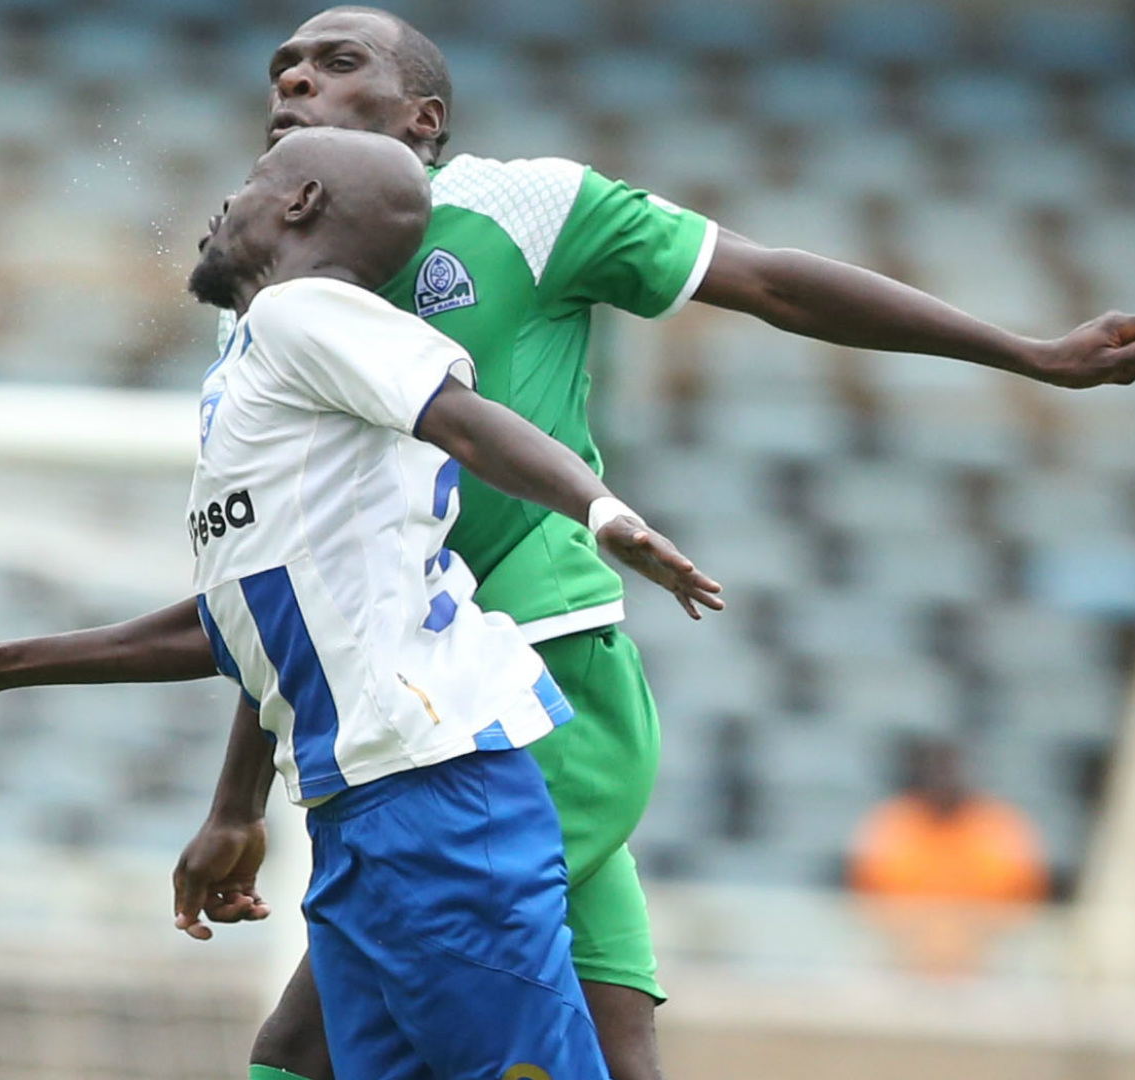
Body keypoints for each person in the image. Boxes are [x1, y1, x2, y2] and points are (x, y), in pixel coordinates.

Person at [0, 8, 1135, 1079]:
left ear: (418, 115)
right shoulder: (280, 316)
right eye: (281, 69)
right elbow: (279, 588)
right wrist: (240, 791)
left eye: (333, 62)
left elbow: (772, 281)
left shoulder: (528, 207)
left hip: (532, 703)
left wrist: (1024, 352)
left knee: (311, 1047)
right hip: (446, 713)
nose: (291, 81)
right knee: (617, 1050)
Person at [130, 124, 719, 1077]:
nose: (220, 201)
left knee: (333, 1048)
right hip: (371, 790)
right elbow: (251, 620)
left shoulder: (305, 316)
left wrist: (599, 507)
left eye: (248, 179)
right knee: (593, 1035)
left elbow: (473, 425)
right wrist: (2, 667)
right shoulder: (265, 372)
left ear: (302, 202)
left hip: (449, 768)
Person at [849, 737, 1050, 974]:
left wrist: (966, 938)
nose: (943, 781)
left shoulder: (1000, 827)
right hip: (901, 961)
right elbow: (869, 903)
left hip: (987, 963)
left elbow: (1024, 904)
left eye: (951, 771)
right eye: (935, 772)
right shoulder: (892, 824)